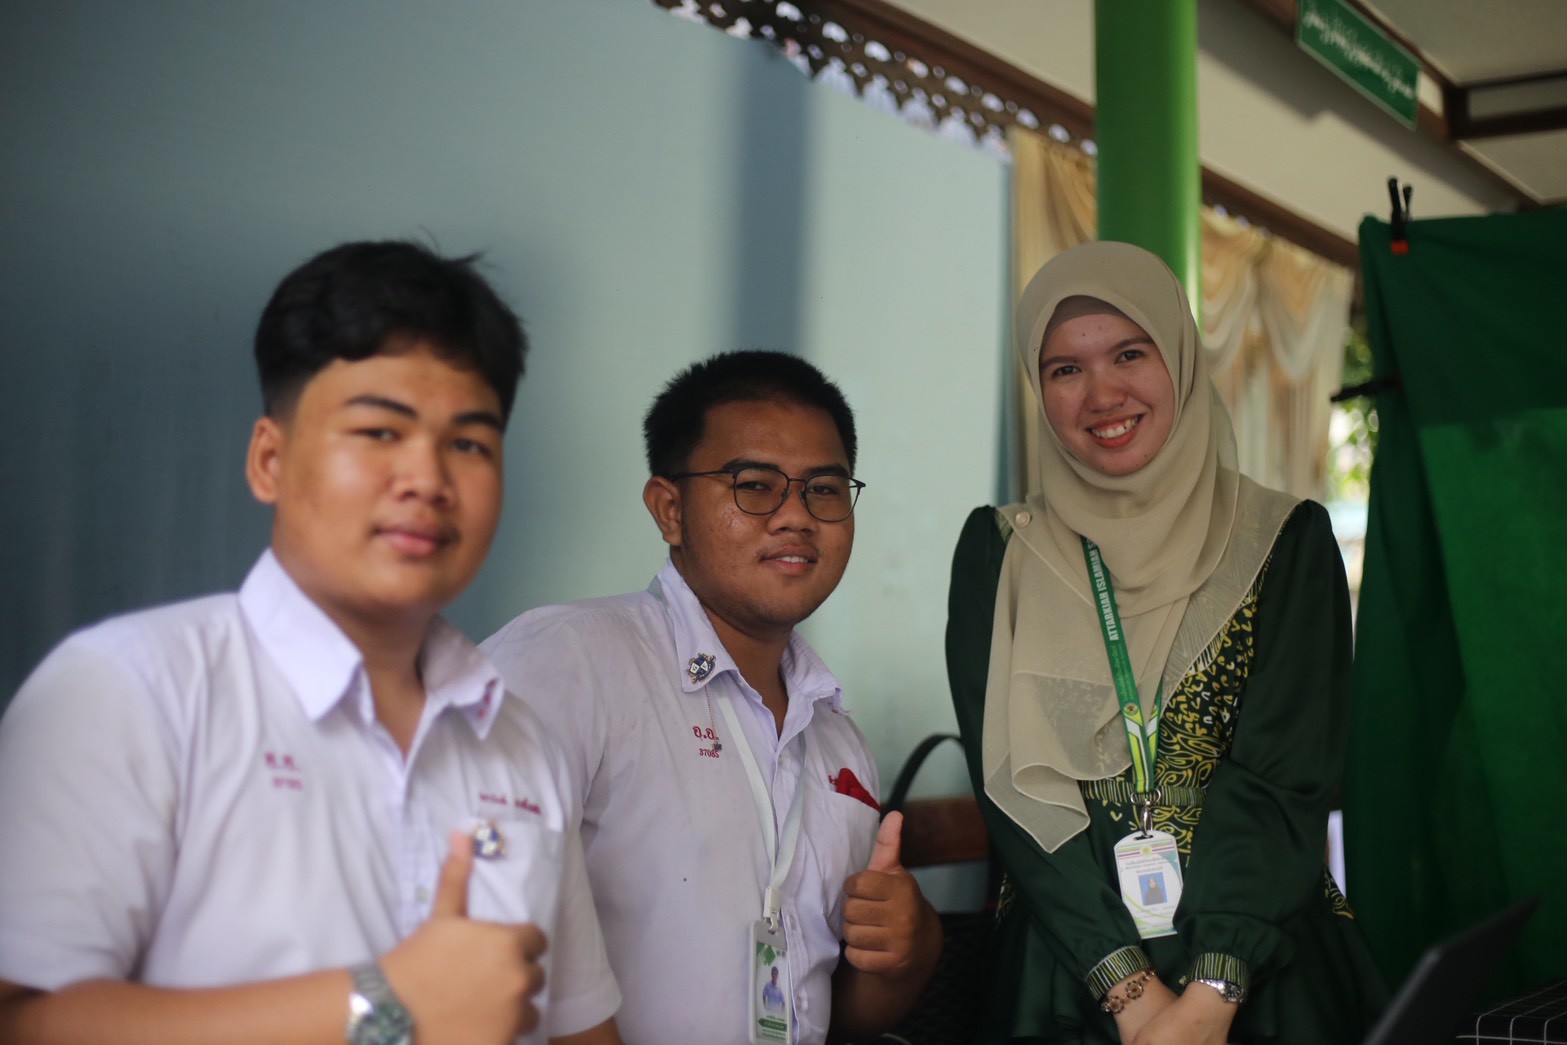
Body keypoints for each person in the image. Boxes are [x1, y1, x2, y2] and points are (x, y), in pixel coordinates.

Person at [0, 240, 621, 1045]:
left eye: (469, 443)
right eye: (379, 431)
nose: (427, 479)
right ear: (269, 459)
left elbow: (578, 1030)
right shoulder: (130, 689)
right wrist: (383, 1003)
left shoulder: (518, 743)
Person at [945, 242, 1387, 1044]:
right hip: (1064, 973)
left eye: (1129, 353)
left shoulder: (1282, 539)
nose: (1101, 394)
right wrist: (1128, 988)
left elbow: (1281, 777)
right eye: (1063, 368)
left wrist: (1212, 988)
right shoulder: (1000, 552)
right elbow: (1007, 790)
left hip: (1261, 971)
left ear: (1178, 357)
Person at [482, 350, 943, 1044]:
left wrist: (909, 950)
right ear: (670, 510)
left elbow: (828, 1012)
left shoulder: (834, 734)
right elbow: (482, 919)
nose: (795, 516)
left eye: (823, 489)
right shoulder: (569, 659)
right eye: (755, 486)